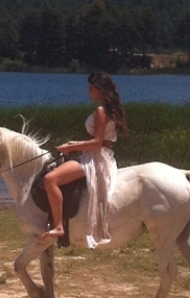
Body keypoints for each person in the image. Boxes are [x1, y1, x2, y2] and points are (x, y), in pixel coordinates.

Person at [40, 71, 127, 248]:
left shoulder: (101, 111)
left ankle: (58, 226)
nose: (89, 92)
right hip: (102, 155)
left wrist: (71, 146)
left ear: (100, 90)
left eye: (91, 89)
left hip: (96, 157)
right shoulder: (110, 110)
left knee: (50, 180)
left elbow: (96, 143)